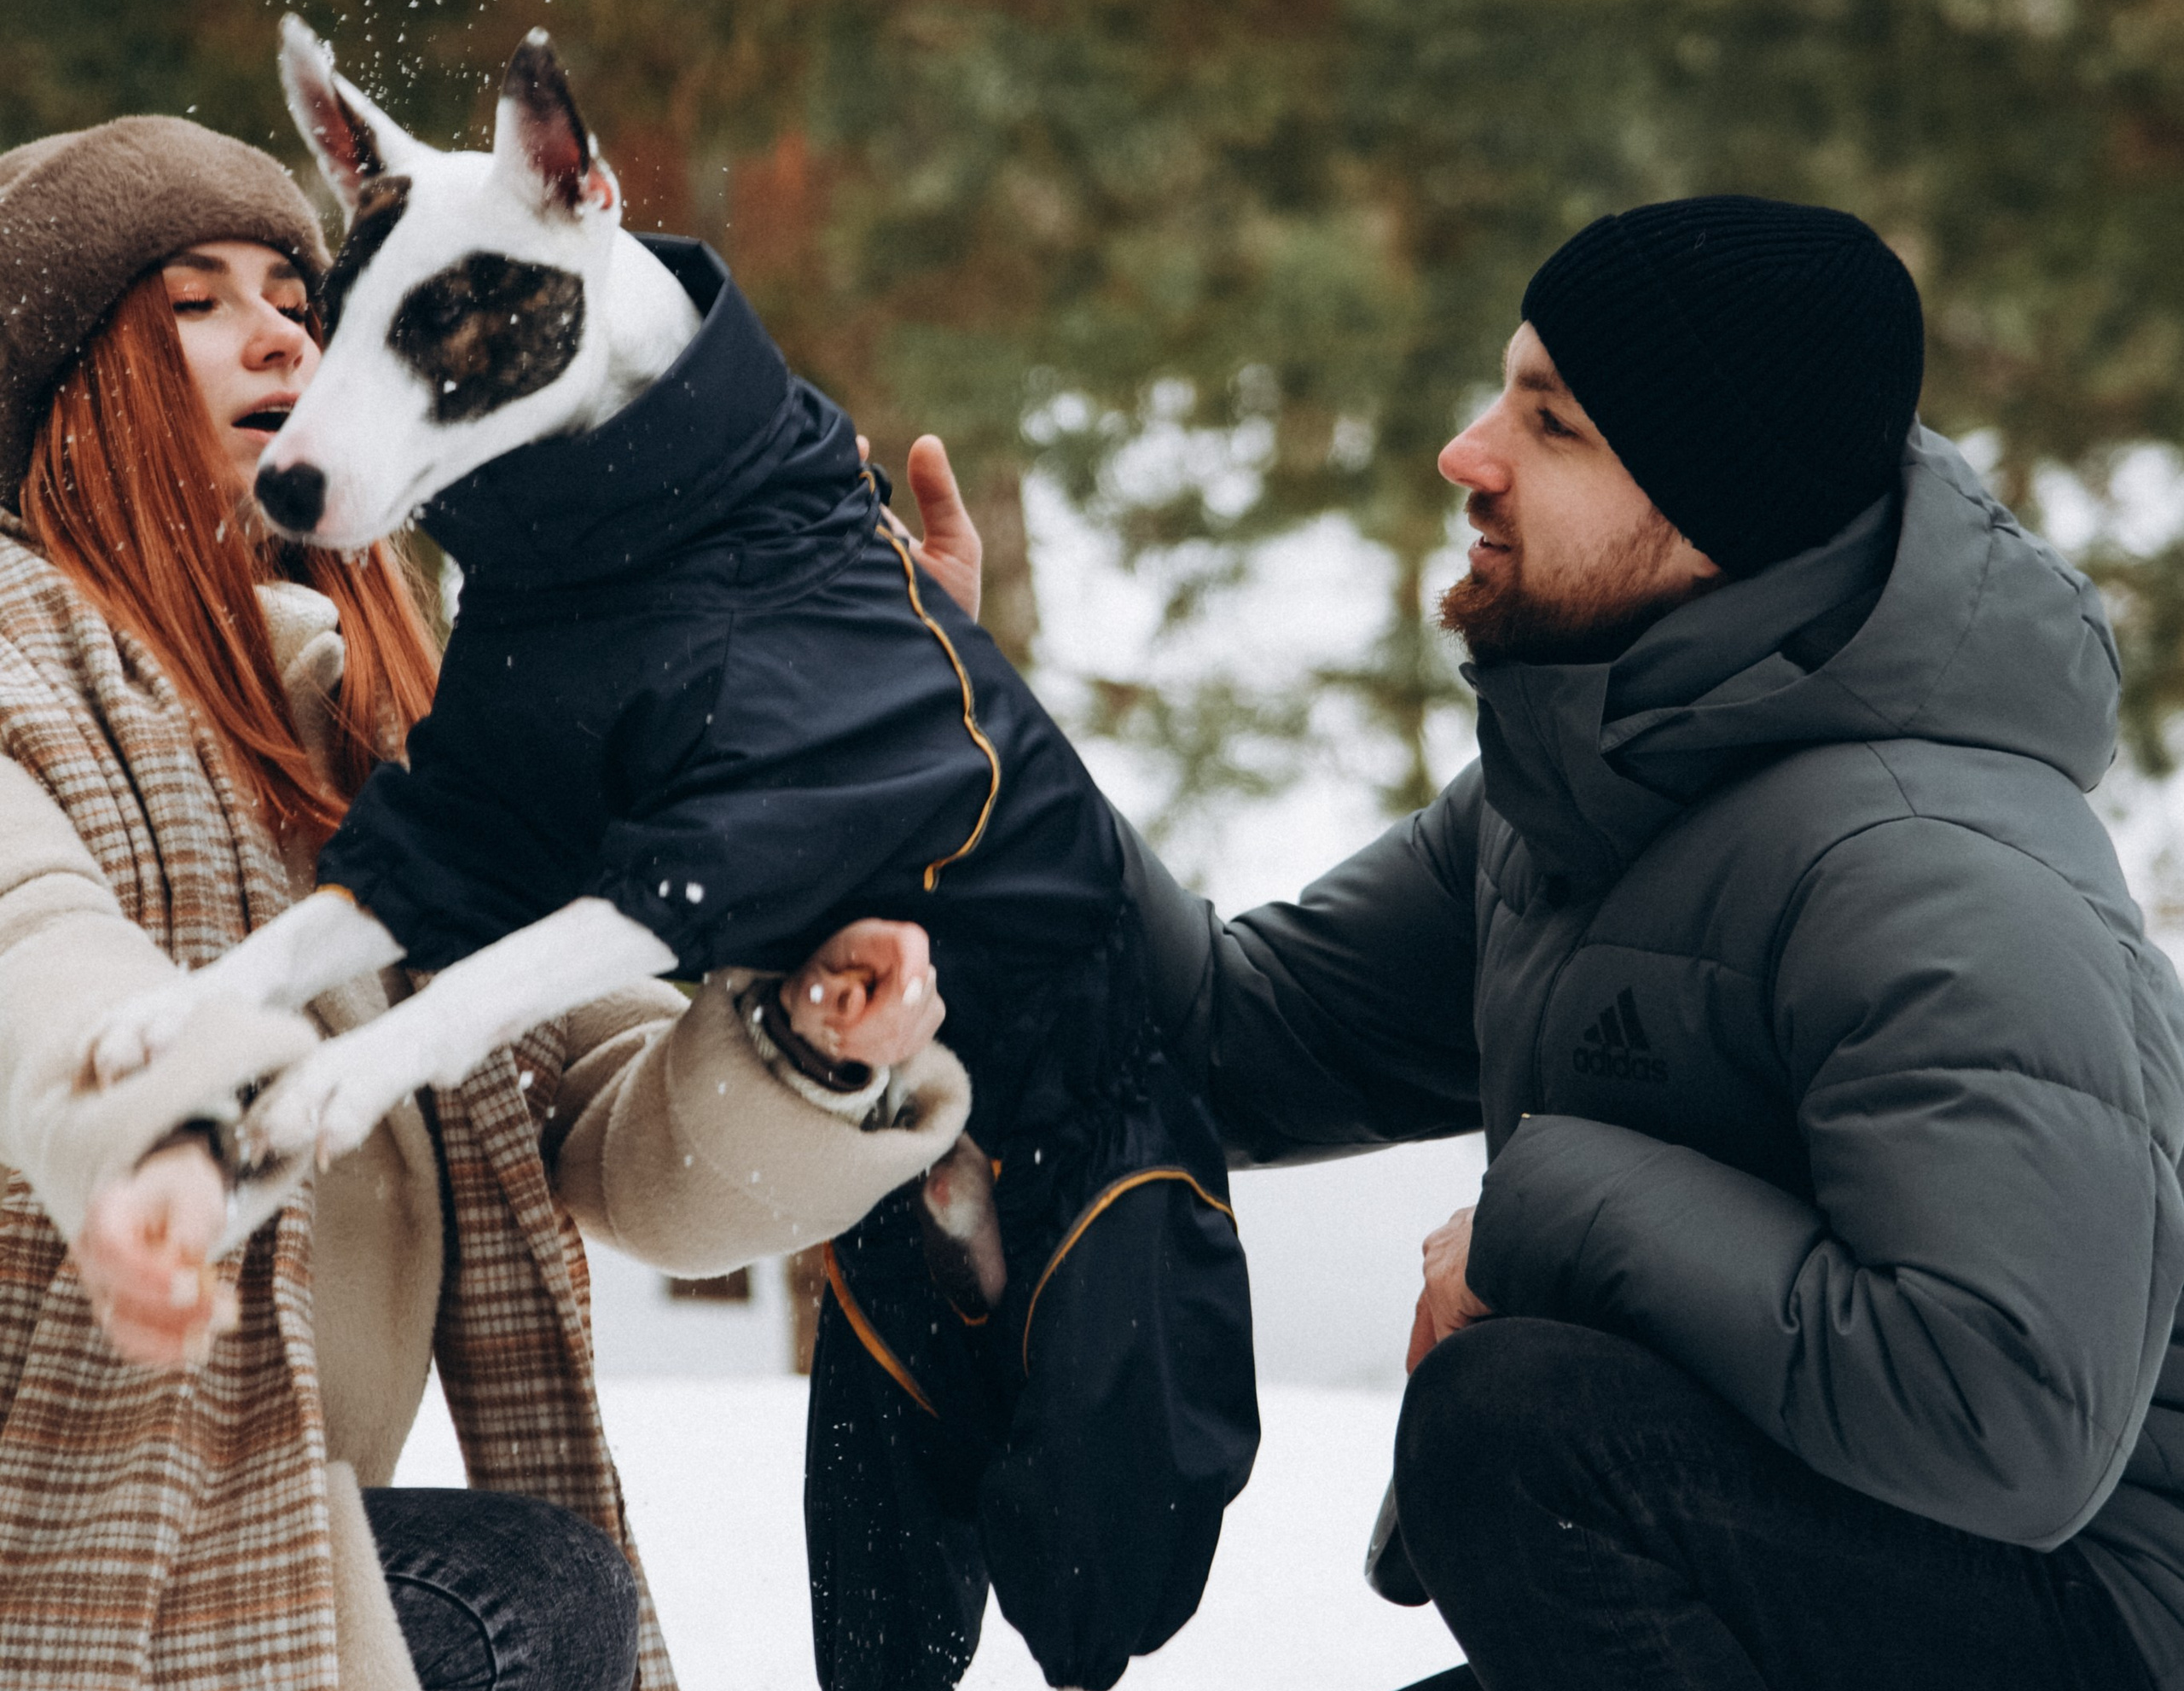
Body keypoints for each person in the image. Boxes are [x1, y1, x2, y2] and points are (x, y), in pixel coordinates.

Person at [862, 195, 2184, 1691]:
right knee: (1521, 1430)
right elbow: (1222, 1034)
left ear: (1718, 510)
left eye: (1552, 426)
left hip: (2089, 1619)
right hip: (1805, 1573)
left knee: (1516, 1425)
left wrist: (1540, 1213)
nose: (1467, 453)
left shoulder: (1936, 874)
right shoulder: (1585, 790)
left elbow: (2003, 1418)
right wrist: (957, 731)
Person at [0, 114, 966, 1691]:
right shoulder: (18, 674)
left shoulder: (379, 736)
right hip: (51, 1539)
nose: (286, 338)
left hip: (252, 1533)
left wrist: (806, 1020)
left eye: (300, 304)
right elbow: (37, 953)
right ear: (58, 385)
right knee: (519, 1596)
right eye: (195, 303)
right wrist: (175, 1143)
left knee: (536, 1588)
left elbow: (609, 1118)